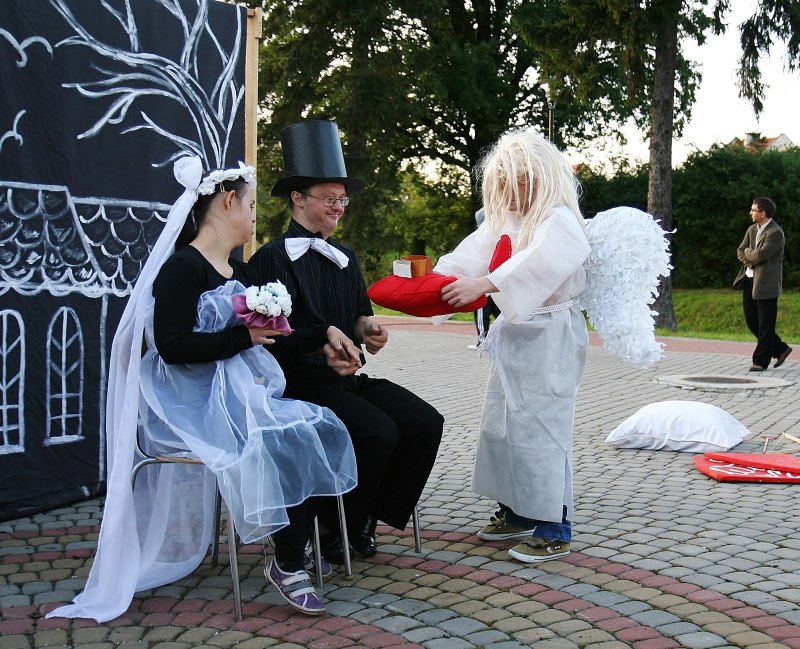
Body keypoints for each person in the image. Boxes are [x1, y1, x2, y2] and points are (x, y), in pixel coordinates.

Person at [48, 156, 357, 621]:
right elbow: (172, 347)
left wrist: (325, 333)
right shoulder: (182, 269)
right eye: (251, 206)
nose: (254, 217)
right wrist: (241, 338)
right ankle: (290, 561)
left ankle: (294, 546)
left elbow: (274, 338)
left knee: (315, 429)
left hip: (237, 392)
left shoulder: (241, 271)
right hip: (190, 397)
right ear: (228, 202)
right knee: (276, 441)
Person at [249, 120, 444, 562]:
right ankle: (333, 527)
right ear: (298, 198)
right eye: (329, 199)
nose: (339, 207)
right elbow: (271, 339)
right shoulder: (271, 259)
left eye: (342, 199)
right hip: (299, 385)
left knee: (424, 422)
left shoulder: (346, 257)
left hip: (347, 380)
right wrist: (323, 345)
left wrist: (368, 330)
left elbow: (358, 315)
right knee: (378, 431)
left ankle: (366, 515)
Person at [434, 127, 590, 563]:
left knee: (543, 430)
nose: (504, 193)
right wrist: (432, 284)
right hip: (516, 337)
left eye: (513, 182)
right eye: (500, 183)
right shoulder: (506, 219)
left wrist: (486, 283)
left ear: (538, 177)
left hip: (551, 337)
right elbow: (470, 255)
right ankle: (518, 510)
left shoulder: (559, 219)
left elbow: (539, 263)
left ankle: (555, 526)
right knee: (503, 426)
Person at [733, 197, 791, 372]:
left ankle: (760, 361)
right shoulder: (752, 229)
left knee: (766, 324)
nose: (750, 213)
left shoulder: (775, 233)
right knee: (752, 321)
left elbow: (761, 255)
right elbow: (740, 251)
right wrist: (750, 258)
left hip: (766, 284)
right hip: (749, 280)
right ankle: (780, 349)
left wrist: (749, 254)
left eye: (753, 210)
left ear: (763, 213)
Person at [467, 208, 501, 351]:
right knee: (498, 309)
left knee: (482, 309)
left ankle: (483, 342)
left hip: (486, 279)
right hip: (496, 280)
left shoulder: (485, 239)